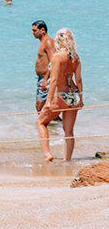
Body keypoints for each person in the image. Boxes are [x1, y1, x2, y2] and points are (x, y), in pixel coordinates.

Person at [38, 29, 83, 162]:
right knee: (69, 131)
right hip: (74, 95)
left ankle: (47, 154)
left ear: (59, 40)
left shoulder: (57, 57)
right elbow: (79, 80)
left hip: (60, 95)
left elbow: (54, 80)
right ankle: (67, 160)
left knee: (41, 122)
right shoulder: (75, 57)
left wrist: (48, 101)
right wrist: (81, 98)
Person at [32, 21, 55, 114]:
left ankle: (60, 121)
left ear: (42, 30)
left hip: (46, 78)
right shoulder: (43, 42)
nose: (32, 33)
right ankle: (57, 122)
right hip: (41, 78)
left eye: (34, 30)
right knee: (41, 108)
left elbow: (53, 62)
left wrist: (45, 79)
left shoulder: (48, 42)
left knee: (40, 107)